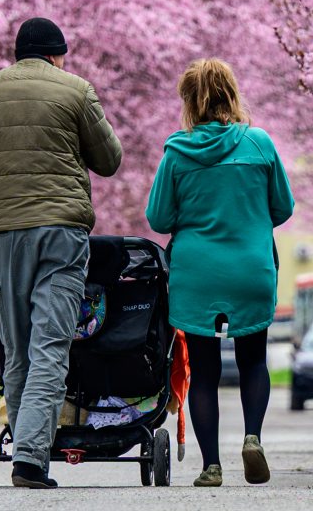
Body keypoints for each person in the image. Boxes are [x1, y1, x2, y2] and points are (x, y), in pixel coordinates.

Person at [0, 17, 122, 488]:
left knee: (15, 349)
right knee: (50, 342)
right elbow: (110, 160)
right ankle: (30, 459)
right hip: (60, 232)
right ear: (57, 55)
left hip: (2, 234)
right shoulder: (76, 90)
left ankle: (24, 446)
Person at [146, 58, 295, 488]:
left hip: (198, 273)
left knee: (205, 371)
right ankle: (252, 438)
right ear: (232, 93)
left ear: (189, 101)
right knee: (253, 360)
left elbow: (159, 218)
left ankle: (211, 466)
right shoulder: (260, 143)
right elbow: (283, 207)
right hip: (250, 268)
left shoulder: (177, 152)